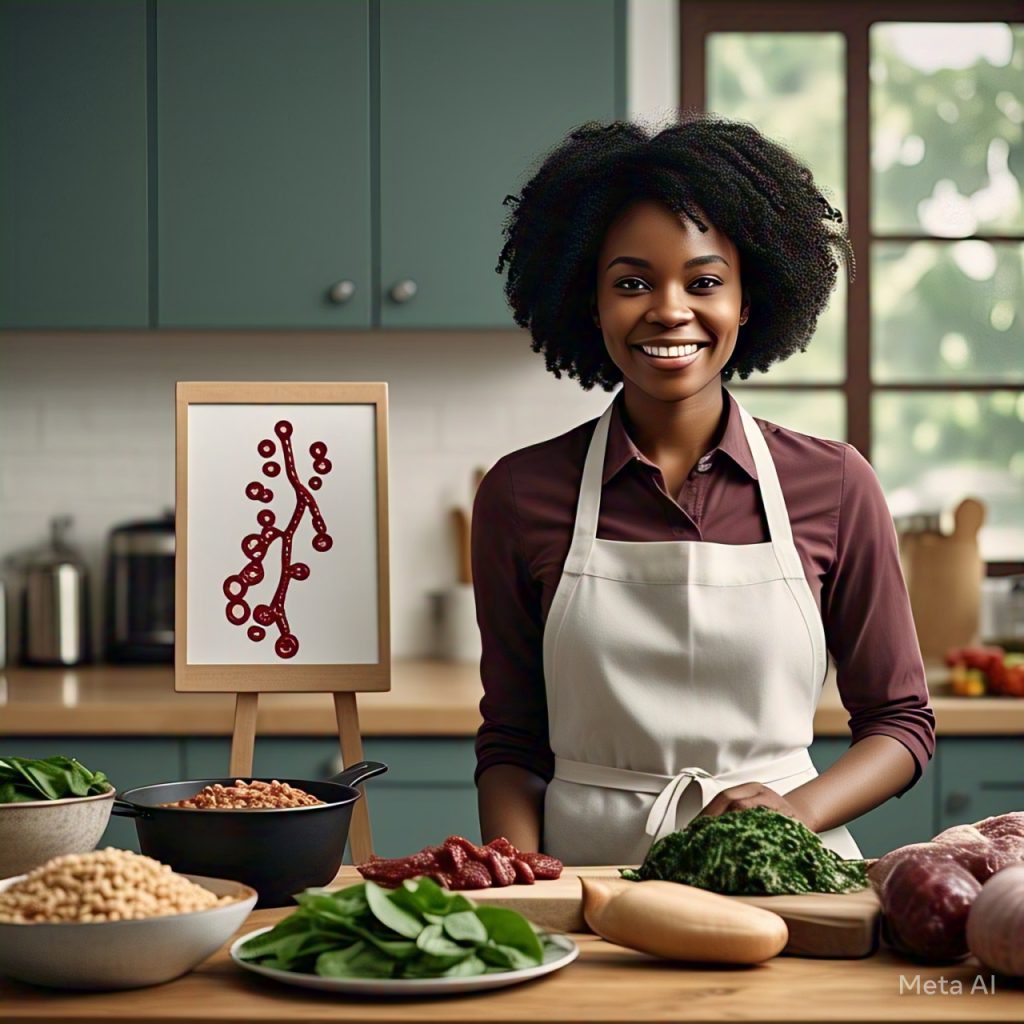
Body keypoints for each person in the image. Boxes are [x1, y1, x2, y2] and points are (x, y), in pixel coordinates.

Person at [471, 113, 936, 866]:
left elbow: (901, 722)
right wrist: (524, 889)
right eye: (631, 283)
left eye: (705, 281)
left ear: (748, 300)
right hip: (588, 886)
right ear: (591, 303)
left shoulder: (836, 484)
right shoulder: (521, 493)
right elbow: (513, 742)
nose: (670, 310)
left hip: (784, 878)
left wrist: (793, 810)